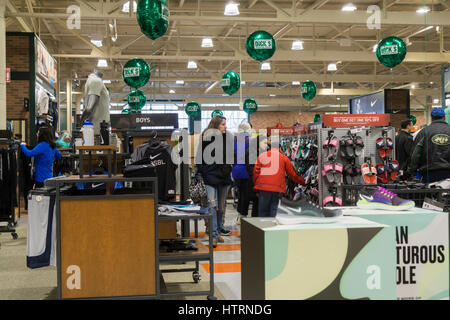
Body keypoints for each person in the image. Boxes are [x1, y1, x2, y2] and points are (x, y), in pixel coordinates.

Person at [196, 115, 233, 247]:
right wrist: (205, 171)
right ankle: (213, 236)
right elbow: (199, 158)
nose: (225, 126)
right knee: (212, 206)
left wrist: (229, 167)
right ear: (216, 125)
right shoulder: (206, 138)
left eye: (225, 124)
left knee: (221, 208)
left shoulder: (227, 138)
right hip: (210, 177)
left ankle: (217, 232)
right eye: (223, 124)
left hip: (224, 178)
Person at [253, 136, 305, 217]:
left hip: (263, 189)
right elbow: (293, 174)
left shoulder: (262, 156)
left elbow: (256, 173)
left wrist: (256, 188)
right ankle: (273, 229)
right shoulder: (284, 158)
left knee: (263, 213)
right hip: (277, 189)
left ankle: (263, 228)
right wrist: (304, 182)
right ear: (280, 148)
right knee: (274, 212)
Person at [406, 107, 450, 183]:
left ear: (431, 118)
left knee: (430, 194)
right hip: (448, 173)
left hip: (429, 174)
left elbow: (415, 154)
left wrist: (411, 171)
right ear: (444, 117)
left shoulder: (424, 132)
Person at [232, 122, 251, 223]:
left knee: (240, 194)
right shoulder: (250, 141)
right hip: (246, 172)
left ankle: (240, 214)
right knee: (246, 195)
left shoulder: (235, 141)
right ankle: (242, 215)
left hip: (236, 172)